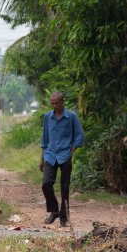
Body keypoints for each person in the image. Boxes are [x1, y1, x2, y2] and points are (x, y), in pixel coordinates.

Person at [40, 91, 85, 227]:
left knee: (65, 187)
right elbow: (44, 138)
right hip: (50, 154)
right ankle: (54, 211)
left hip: (65, 155)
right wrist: (42, 158)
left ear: (62, 102)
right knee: (46, 183)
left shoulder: (71, 117)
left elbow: (80, 135)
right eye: (52, 103)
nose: (54, 105)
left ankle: (64, 217)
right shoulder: (48, 117)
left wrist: (73, 149)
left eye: (57, 103)